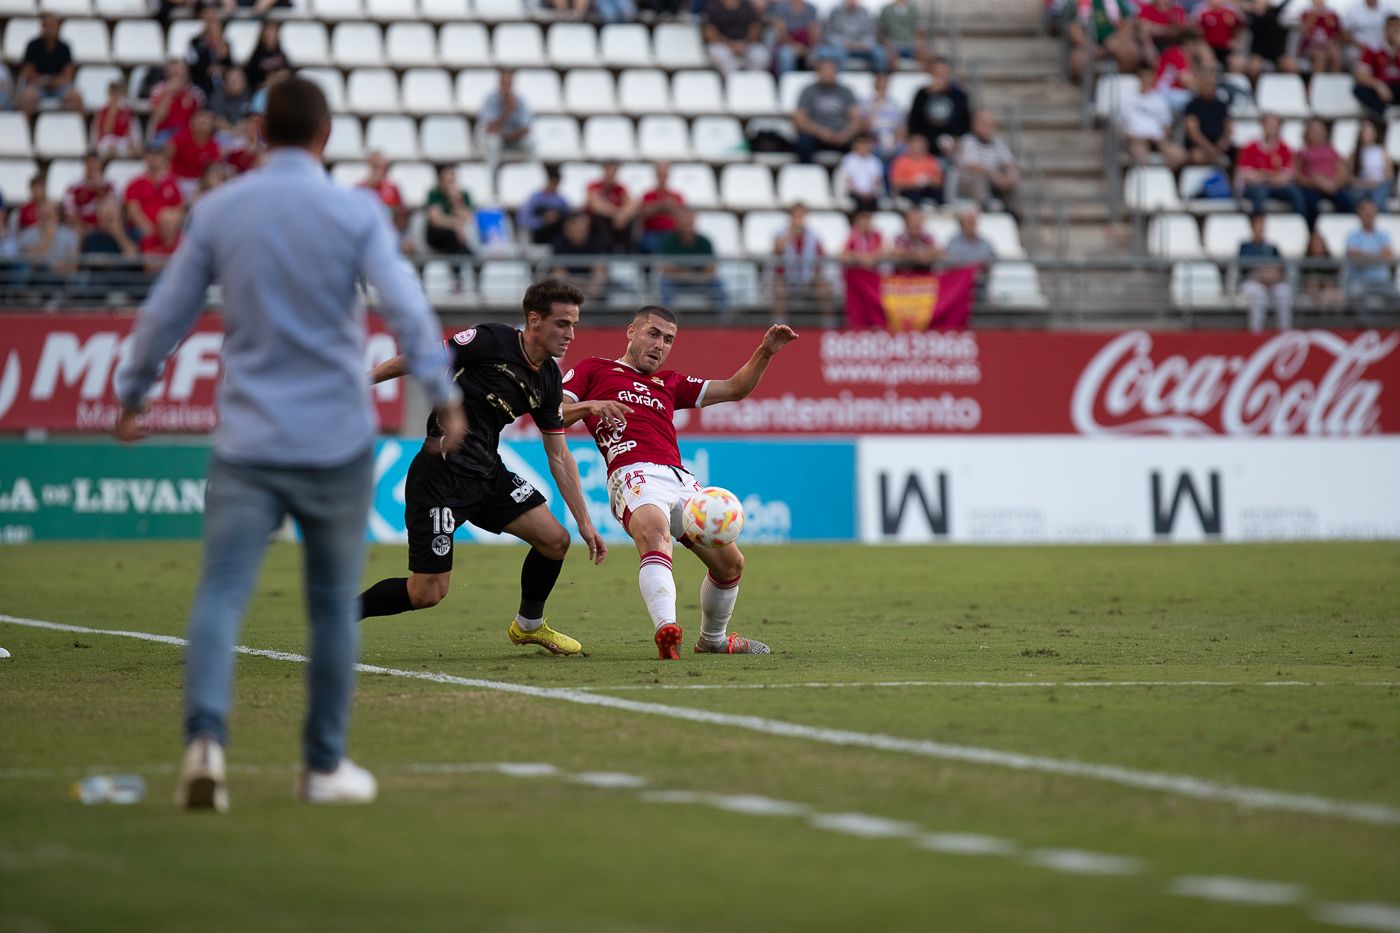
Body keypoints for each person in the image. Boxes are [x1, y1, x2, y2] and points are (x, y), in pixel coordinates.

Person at [112, 77, 464, 812]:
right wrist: (442, 392)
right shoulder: (354, 211)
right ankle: (321, 765)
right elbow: (405, 305)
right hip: (334, 439)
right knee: (333, 605)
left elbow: (166, 312)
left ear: (260, 132)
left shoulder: (218, 209)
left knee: (222, 591)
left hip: (247, 438)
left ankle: (206, 740)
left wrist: (135, 391)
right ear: (325, 134)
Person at [359, 280, 608, 659]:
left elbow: (558, 455)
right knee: (428, 592)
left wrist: (585, 522)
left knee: (556, 541)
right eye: (562, 324)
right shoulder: (491, 340)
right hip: (440, 474)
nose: (570, 334)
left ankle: (528, 626)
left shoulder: (549, 379)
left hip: (488, 474)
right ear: (535, 320)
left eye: (574, 324)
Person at [561, 308, 798, 659]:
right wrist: (592, 405)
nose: (660, 345)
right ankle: (666, 629)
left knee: (731, 564)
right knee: (655, 534)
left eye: (668, 339)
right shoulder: (593, 369)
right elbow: (554, 413)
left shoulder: (669, 382)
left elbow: (734, 388)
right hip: (632, 471)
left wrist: (765, 352)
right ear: (631, 331)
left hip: (681, 479)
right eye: (653, 334)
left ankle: (713, 640)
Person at [1236, 112, 1307, 217]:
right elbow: (1244, 174)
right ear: (1262, 126)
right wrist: (1268, 177)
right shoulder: (1250, 147)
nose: (1272, 129)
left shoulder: (1284, 148)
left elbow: (1290, 174)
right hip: (1256, 187)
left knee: (1295, 192)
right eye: (1269, 125)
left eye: (1275, 126)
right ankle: (1258, 228)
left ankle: (1301, 225)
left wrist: (1267, 177)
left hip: (1276, 186)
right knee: (1260, 191)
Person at [771, 203, 833, 322]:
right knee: (778, 288)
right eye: (796, 215)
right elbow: (776, 250)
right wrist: (791, 234)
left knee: (824, 287)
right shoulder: (781, 232)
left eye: (802, 215)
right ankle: (779, 324)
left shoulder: (814, 234)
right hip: (786, 277)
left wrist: (814, 275)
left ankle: (828, 323)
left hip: (808, 277)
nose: (799, 218)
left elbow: (821, 257)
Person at [658, 208, 727, 313]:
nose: (687, 227)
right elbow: (666, 269)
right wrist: (691, 274)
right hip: (677, 281)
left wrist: (688, 274)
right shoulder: (668, 241)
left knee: (717, 284)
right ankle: (667, 320)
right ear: (678, 223)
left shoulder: (705, 242)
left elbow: (711, 269)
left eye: (689, 223)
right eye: (684, 223)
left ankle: (724, 320)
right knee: (665, 283)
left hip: (700, 281)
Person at [794, 59, 861, 164]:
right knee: (803, 143)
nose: (828, 74)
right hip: (816, 135)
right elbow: (800, 120)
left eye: (831, 70)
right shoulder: (808, 91)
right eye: (824, 70)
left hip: (841, 136)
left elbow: (856, 119)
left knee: (860, 142)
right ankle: (809, 174)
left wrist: (846, 134)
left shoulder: (846, 92)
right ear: (818, 73)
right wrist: (822, 133)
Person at [951, 110, 1020, 211]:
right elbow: (974, 166)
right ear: (974, 125)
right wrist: (996, 176)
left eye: (990, 125)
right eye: (984, 125)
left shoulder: (998, 142)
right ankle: (986, 209)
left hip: (994, 181)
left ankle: (1014, 215)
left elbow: (1010, 163)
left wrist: (1010, 177)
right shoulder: (968, 140)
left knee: (1013, 183)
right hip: (967, 183)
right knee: (979, 178)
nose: (987, 129)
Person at [17, 14, 82, 117]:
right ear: (42, 27)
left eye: (53, 26)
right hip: (39, 86)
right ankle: (22, 129)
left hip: (59, 87)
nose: (50, 30)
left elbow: (68, 74)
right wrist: (43, 81)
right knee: (27, 97)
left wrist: (55, 82)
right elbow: (28, 73)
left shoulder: (64, 47)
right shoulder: (33, 46)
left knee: (76, 97)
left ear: (58, 28)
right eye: (47, 26)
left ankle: (80, 129)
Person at [1120, 67, 1185, 169]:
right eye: (1144, 77)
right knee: (1140, 155)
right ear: (1139, 79)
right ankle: (1145, 182)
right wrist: (1132, 136)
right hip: (1137, 138)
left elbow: (1166, 124)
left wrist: (1165, 137)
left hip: (1157, 139)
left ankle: (1167, 180)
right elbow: (1122, 126)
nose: (1146, 80)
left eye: (1149, 77)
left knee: (1178, 155)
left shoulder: (1159, 99)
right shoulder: (1128, 99)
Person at [906, 57, 971, 157]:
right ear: (931, 73)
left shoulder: (958, 94)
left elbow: (965, 121)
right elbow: (914, 120)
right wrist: (929, 95)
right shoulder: (922, 93)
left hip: (953, 143)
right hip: (927, 144)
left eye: (943, 71)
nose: (940, 75)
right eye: (937, 71)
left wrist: (958, 139)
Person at [1238, 212, 1293, 331]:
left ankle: (1284, 333)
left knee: (1284, 291)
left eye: (1263, 224)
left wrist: (1273, 276)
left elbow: (1280, 268)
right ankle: (1256, 333)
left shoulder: (1272, 247)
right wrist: (1261, 275)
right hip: (1251, 283)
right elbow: (1244, 269)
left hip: (1272, 282)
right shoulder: (1245, 247)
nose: (1261, 227)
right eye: (1258, 224)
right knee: (1259, 294)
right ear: (1252, 227)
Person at [1344, 198, 1398, 316]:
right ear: (1360, 216)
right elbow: (1355, 258)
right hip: (1359, 281)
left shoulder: (1384, 235)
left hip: (1382, 281)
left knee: (1397, 295)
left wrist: (1364, 256)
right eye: (1366, 214)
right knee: (1353, 294)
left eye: (1371, 213)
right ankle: (1365, 327)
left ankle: (1386, 327)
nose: (1369, 216)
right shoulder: (1352, 236)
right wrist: (1377, 256)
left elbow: (1387, 256)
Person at [1297, 117, 1353, 223]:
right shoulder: (1302, 152)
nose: (1316, 132)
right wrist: (1316, 182)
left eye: (1319, 129)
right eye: (1313, 129)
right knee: (1310, 204)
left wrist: (1333, 183)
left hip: (1331, 185)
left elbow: (1342, 170)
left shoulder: (1331, 150)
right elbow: (1298, 175)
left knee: (1346, 201)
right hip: (1312, 187)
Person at [1066, 0, 1140, 79]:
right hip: (1089, 45)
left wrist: (1110, 44)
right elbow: (1073, 28)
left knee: (1131, 53)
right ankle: (1095, 83)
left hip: (1114, 44)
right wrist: (1090, 46)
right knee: (1077, 62)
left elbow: (1129, 23)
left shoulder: (1118, 2)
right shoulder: (1077, 2)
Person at [123, 147, 185, 240]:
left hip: (169, 230)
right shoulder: (135, 183)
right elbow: (133, 210)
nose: (154, 157)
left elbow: (179, 209)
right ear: (146, 158)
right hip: (143, 230)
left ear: (164, 158)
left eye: (158, 154)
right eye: (151, 154)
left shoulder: (172, 182)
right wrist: (149, 230)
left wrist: (169, 227)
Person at [479, 70, 534, 174]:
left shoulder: (520, 101)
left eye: (508, 84)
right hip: (499, 138)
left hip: (514, 139)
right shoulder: (491, 100)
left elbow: (526, 129)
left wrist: (508, 135)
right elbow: (490, 128)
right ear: (499, 84)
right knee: (492, 142)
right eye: (503, 83)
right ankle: (492, 176)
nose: (506, 87)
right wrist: (506, 111)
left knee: (532, 143)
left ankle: (531, 174)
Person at [550, 212, 610, 301]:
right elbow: (559, 274)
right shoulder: (559, 243)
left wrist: (593, 286)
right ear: (567, 228)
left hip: (592, 290)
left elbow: (600, 272)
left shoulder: (595, 242)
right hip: (568, 290)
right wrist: (581, 284)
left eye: (582, 226)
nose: (579, 229)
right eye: (575, 225)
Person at [819, 0, 890, 73]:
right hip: (841, 45)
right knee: (835, 54)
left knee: (880, 53)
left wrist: (864, 44)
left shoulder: (865, 12)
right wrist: (844, 43)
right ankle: (840, 82)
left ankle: (880, 80)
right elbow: (829, 34)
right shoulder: (835, 12)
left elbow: (871, 33)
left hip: (862, 45)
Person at [703, 0, 770, 75]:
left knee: (760, 55)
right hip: (722, 45)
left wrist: (745, 44)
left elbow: (755, 28)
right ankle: (732, 82)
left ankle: (752, 81)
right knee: (720, 54)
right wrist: (731, 45)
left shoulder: (747, 6)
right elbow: (710, 33)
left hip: (746, 44)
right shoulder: (713, 7)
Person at [149, 59, 206, 146]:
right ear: (167, 73)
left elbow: (199, 122)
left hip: (188, 135)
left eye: (180, 70)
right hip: (164, 134)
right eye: (174, 71)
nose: (177, 73)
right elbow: (158, 118)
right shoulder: (159, 90)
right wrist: (168, 94)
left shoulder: (196, 93)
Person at [1352, 15, 1400, 119]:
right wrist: (1377, 84)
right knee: (1359, 89)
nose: (1396, 31)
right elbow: (1360, 74)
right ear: (1385, 30)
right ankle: (1383, 115)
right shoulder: (1374, 49)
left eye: (1398, 27)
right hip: (1382, 86)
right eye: (1393, 27)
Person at [586, 160, 639, 252]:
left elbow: (631, 205)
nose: (611, 173)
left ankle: (628, 251)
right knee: (601, 219)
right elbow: (597, 206)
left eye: (614, 170)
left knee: (629, 221)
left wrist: (623, 215)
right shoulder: (594, 186)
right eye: (609, 169)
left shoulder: (620, 188)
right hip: (599, 225)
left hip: (617, 224)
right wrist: (618, 214)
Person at [1183, 69, 1232, 167]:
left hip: (1219, 145)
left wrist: (1224, 140)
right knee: (1197, 156)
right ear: (1201, 85)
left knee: (1237, 154)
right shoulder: (1192, 106)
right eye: (1207, 84)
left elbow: (1228, 126)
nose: (1210, 87)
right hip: (1200, 146)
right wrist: (1209, 148)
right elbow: (1193, 133)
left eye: (1212, 84)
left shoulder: (1221, 105)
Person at [169, 110, 224, 198]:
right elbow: (165, 161)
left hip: (199, 183)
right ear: (192, 122)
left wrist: (202, 187)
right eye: (200, 122)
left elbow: (214, 169)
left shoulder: (214, 145)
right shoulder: (179, 139)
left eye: (205, 123)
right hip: (178, 180)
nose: (202, 126)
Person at [424, 164, 474, 257]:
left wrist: (456, 201)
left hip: (461, 233)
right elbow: (436, 220)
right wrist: (456, 226)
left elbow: (468, 217)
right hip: (440, 233)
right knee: (452, 238)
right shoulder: (435, 194)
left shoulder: (463, 195)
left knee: (466, 239)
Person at [639, 162, 688, 254]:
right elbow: (644, 213)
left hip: (673, 233)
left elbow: (682, 217)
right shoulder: (647, 195)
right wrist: (663, 206)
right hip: (652, 233)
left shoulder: (677, 195)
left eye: (664, 174)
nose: (662, 177)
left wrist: (657, 208)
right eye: (659, 174)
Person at [517, 165, 570, 246]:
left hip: (556, 238)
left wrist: (557, 218)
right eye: (551, 182)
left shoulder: (561, 201)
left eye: (556, 183)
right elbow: (523, 219)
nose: (553, 186)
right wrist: (542, 220)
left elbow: (569, 219)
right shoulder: (535, 199)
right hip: (538, 236)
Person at [187, 6, 232, 98]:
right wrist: (209, 69)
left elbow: (228, 63)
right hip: (202, 86)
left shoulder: (226, 43)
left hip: (223, 87)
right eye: (209, 19)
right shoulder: (195, 42)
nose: (212, 23)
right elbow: (193, 65)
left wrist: (218, 38)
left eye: (214, 19)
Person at [64, 154, 114, 235]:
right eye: (90, 163)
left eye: (95, 163)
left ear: (100, 165)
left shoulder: (109, 184)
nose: (93, 166)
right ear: (85, 165)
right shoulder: (73, 186)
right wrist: (85, 227)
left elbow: (113, 209)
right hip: (81, 226)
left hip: (105, 225)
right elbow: (70, 212)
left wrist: (99, 189)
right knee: (75, 230)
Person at [862, 72, 905, 167]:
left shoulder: (895, 104)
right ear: (875, 85)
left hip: (892, 140)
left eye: (884, 84)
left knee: (902, 150)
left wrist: (895, 141)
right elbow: (864, 128)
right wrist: (876, 105)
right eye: (880, 84)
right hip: (875, 140)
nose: (882, 87)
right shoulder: (866, 102)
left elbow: (901, 127)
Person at [1350, 119, 1394, 209]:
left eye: (1370, 132)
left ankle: (1380, 218)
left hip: (1380, 184)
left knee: (1377, 199)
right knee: (1355, 198)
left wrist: (1376, 182)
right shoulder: (1355, 154)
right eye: (1365, 132)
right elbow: (1349, 178)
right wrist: (1364, 183)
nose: (1367, 135)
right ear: (1360, 134)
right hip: (1362, 186)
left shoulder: (1382, 151)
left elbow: (1389, 175)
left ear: (1375, 134)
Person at [770, 0, 822, 76]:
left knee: (819, 54)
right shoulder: (781, 8)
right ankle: (785, 82)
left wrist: (807, 48)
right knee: (786, 55)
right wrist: (794, 46)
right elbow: (780, 33)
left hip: (807, 46)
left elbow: (815, 33)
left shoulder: (811, 9)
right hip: (786, 44)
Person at [890, 133, 943, 205]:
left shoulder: (931, 160)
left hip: (928, 190)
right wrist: (913, 183)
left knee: (938, 196)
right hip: (909, 192)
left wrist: (928, 180)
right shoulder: (900, 161)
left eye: (920, 148)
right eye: (915, 147)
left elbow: (939, 182)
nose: (917, 150)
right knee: (914, 195)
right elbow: (896, 184)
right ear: (909, 147)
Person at [1194, 0, 1246, 73]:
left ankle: (1232, 81)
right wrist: (1203, 45)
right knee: (1207, 61)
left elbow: (1239, 27)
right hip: (1209, 47)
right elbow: (1197, 30)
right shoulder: (1202, 11)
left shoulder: (1230, 12)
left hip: (1226, 47)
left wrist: (1235, 40)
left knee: (1237, 62)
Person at [838, 133, 885, 212]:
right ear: (855, 145)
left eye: (866, 144)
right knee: (860, 203)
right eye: (861, 144)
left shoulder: (875, 161)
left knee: (873, 203)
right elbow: (847, 180)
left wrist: (871, 192)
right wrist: (860, 193)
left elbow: (877, 180)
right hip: (854, 193)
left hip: (871, 194)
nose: (863, 147)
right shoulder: (848, 160)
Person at [93, 81, 139, 159]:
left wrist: (131, 143)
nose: (115, 96)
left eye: (116, 93)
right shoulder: (102, 111)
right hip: (106, 140)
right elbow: (106, 131)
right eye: (112, 93)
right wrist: (113, 112)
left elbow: (129, 132)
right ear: (109, 94)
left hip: (121, 140)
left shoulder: (126, 111)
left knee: (136, 149)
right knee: (111, 148)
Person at [244, 21, 291, 93]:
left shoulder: (281, 54)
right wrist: (267, 83)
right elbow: (251, 78)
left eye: (273, 32)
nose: (271, 36)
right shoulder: (257, 55)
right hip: (261, 92)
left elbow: (288, 74)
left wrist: (279, 77)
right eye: (268, 32)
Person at [1298, 0, 1343, 74]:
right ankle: (1317, 82)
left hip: (1327, 46)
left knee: (1336, 55)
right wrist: (1314, 15)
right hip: (1310, 47)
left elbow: (1336, 34)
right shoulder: (1306, 13)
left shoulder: (1332, 15)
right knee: (1320, 55)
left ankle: (1334, 82)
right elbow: (1303, 32)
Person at [140, 205, 185, 276]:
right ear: (158, 224)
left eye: (171, 224)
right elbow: (149, 266)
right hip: (153, 280)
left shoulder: (183, 240)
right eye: (165, 223)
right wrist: (173, 262)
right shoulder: (149, 239)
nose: (168, 227)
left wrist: (159, 261)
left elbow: (185, 265)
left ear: (176, 225)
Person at [878, 0, 927, 64]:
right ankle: (893, 73)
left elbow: (920, 29)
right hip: (892, 44)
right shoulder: (886, 10)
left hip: (911, 44)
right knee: (890, 57)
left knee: (926, 56)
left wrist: (920, 43)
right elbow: (880, 31)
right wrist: (886, 43)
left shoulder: (913, 9)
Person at [209, 67, 251, 132]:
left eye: (240, 78)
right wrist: (233, 131)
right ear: (225, 83)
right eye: (233, 79)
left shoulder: (250, 95)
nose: (238, 82)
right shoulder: (217, 97)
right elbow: (219, 121)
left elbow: (253, 119)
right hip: (224, 133)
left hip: (246, 133)